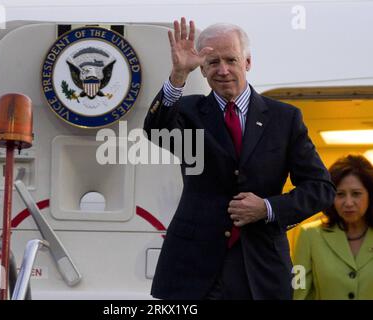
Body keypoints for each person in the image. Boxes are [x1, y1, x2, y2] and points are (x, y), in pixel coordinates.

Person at [143, 17, 335, 300]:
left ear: (247, 62)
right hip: (194, 270)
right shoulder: (189, 111)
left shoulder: (285, 118)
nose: (223, 70)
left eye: (231, 60)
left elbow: (321, 189)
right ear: (203, 70)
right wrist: (178, 77)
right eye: (213, 62)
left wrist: (267, 207)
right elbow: (156, 131)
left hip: (260, 269)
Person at [293, 155, 373, 300]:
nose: (348, 202)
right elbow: (298, 291)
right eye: (340, 194)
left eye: (356, 194)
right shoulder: (309, 235)